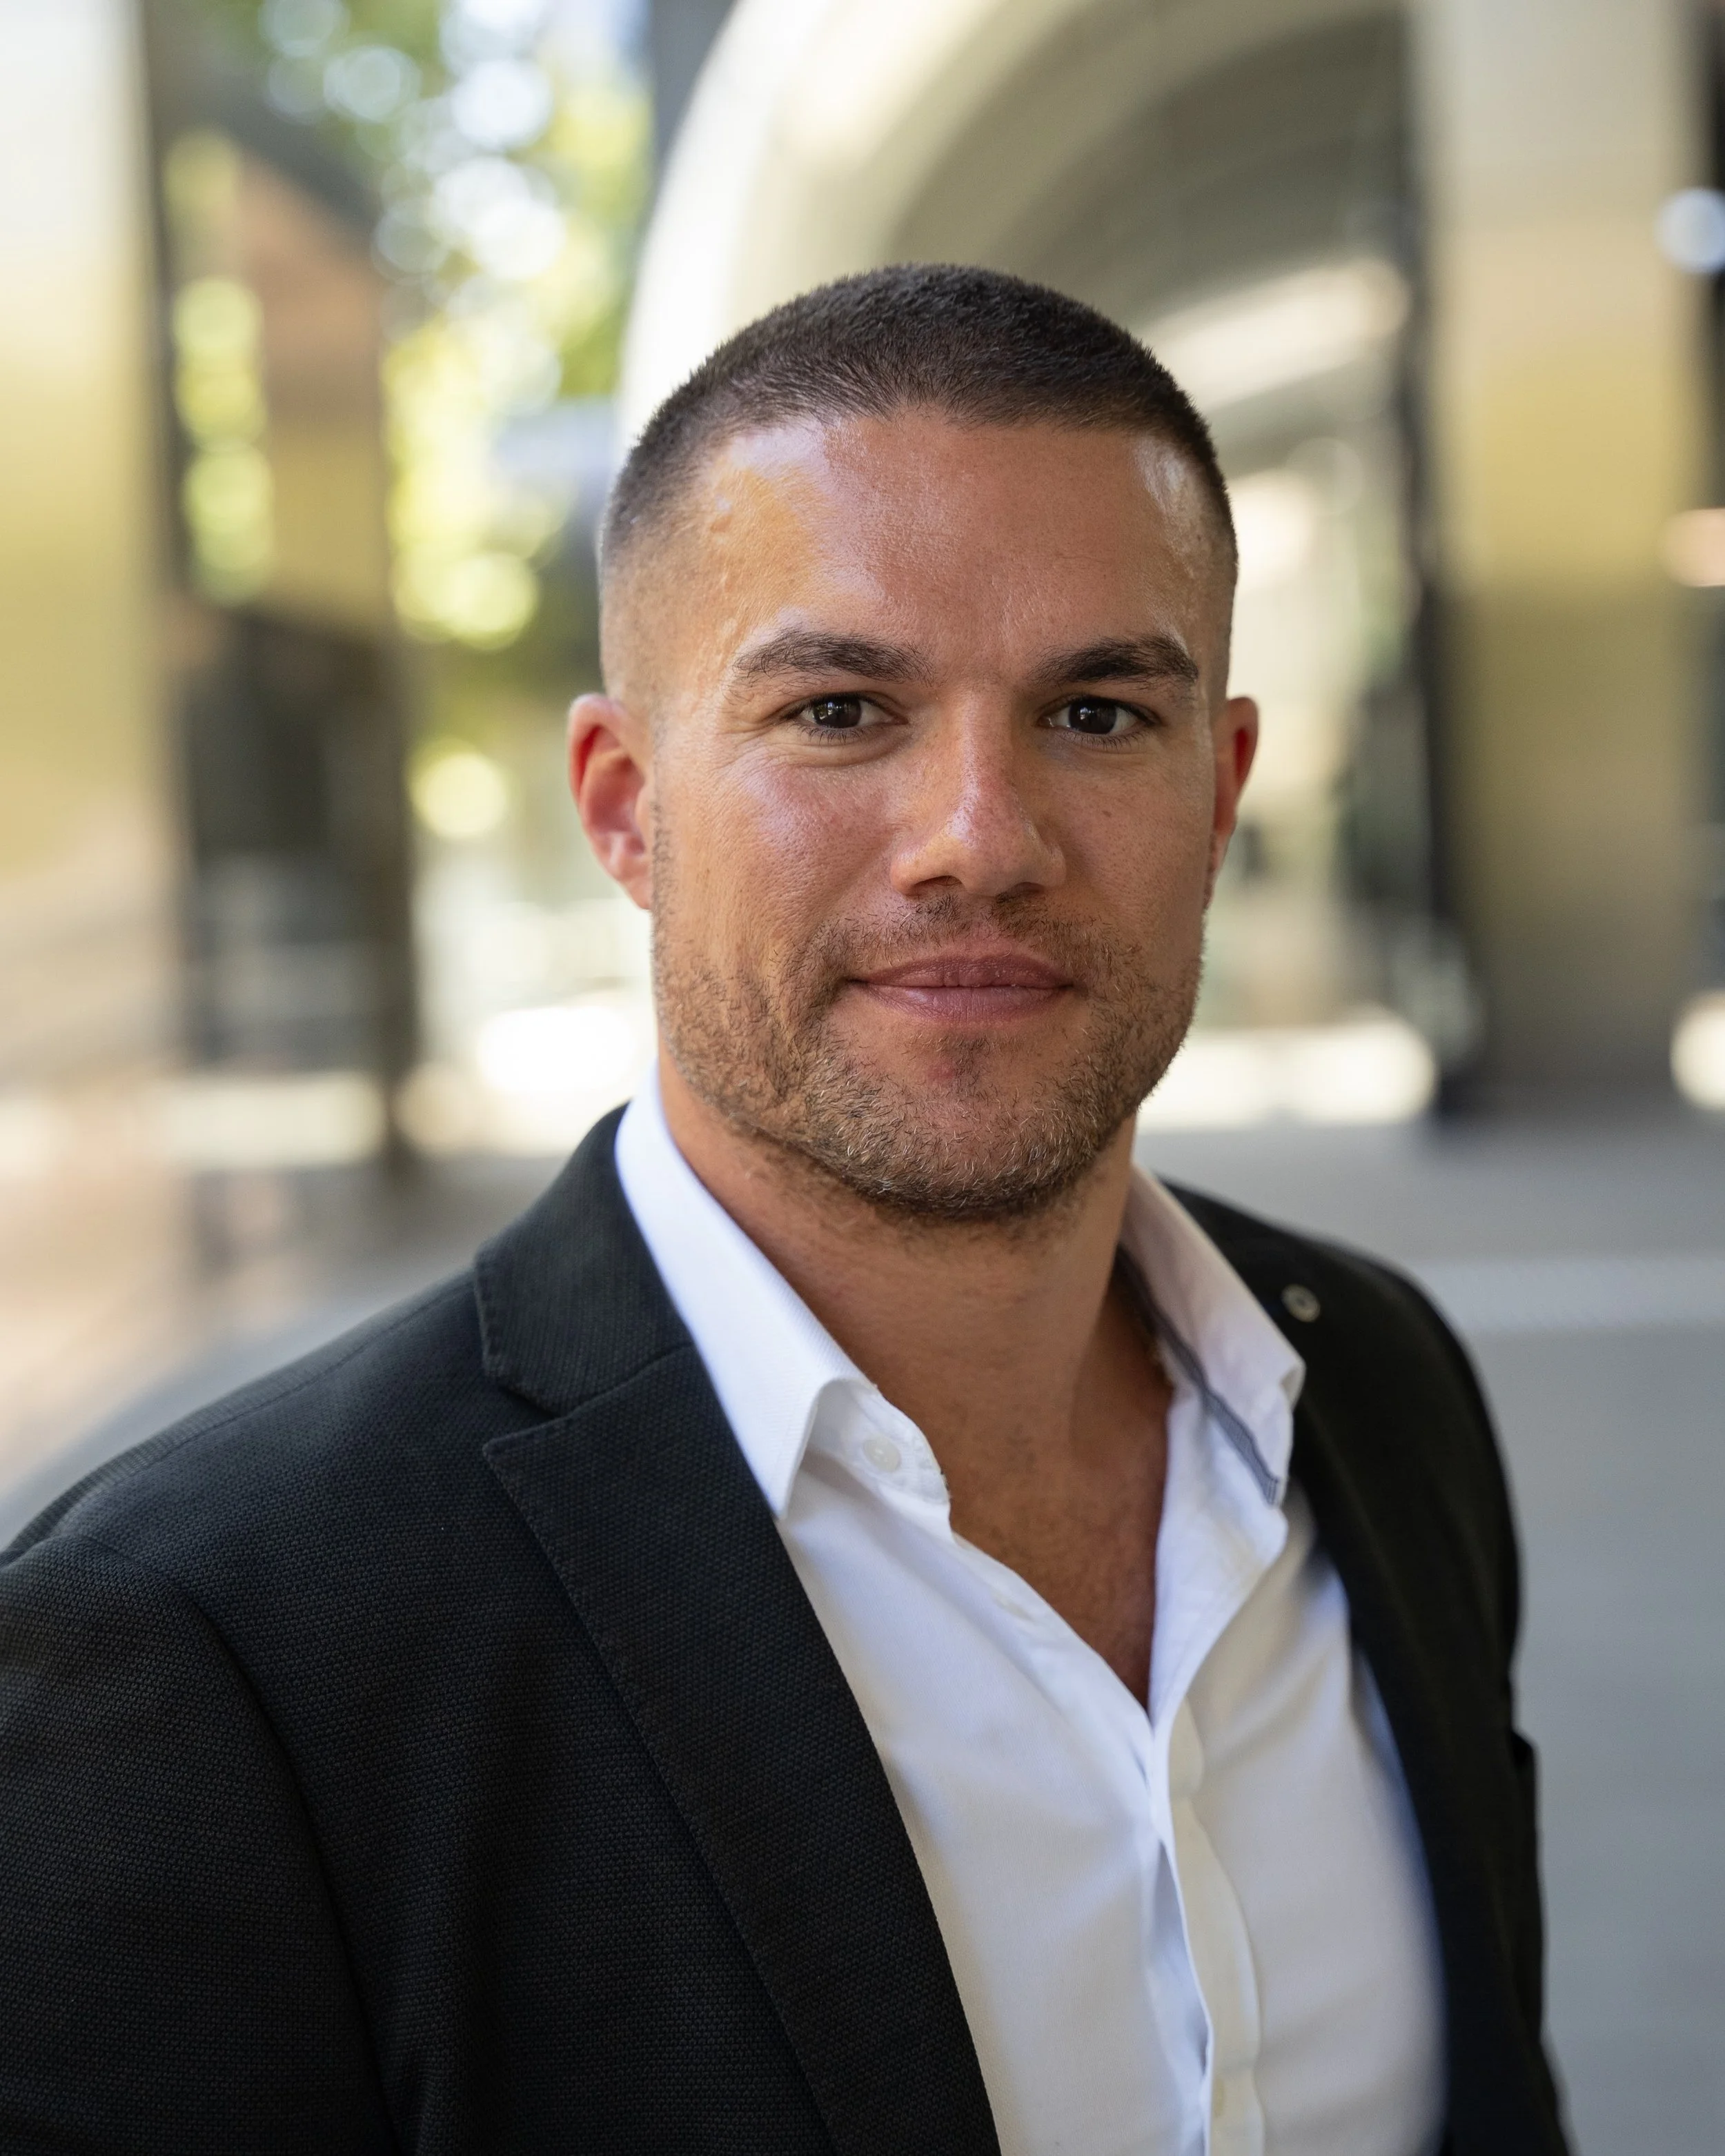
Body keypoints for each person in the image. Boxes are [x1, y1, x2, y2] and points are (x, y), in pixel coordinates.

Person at [0, 266, 1568, 2156]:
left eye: (1094, 712)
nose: (979, 837)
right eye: (839, 709)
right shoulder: (210, 1636)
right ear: (624, 807)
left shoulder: (1375, 1389)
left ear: (1219, 789)